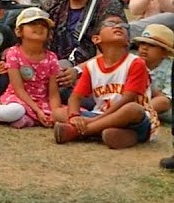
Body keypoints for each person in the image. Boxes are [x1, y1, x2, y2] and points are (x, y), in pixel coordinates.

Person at [54, 14, 157, 148]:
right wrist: (74, 116)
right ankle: (106, 132)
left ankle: (82, 131)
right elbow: (75, 97)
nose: (118, 27)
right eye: (110, 24)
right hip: (101, 114)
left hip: (134, 118)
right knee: (58, 112)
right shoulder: (92, 66)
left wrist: (92, 121)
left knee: (133, 109)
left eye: (123, 26)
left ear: (127, 41)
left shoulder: (136, 63)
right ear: (96, 39)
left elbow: (128, 99)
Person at [0, 7, 62, 128]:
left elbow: (53, 94)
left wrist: (55, 113)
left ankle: (26, 120)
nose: (39, 27)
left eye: (43, 25)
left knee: (63, 115)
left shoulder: (52, 58)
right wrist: (37, 111)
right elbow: (19, 90)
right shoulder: (13, 53)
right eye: (32, 24)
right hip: (18, 99)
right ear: (19, 31)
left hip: (42, 102)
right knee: (15, 110)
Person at [132, 23, 172, 125]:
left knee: (163, 102)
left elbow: (167, 100)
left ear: (165, 52)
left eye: (151, 45)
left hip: (164, 109)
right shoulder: (133, 62)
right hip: (135, 100)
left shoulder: (169, 69)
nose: (144, 48)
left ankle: (138, 113)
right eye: (142, 44)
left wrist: (146, 84)